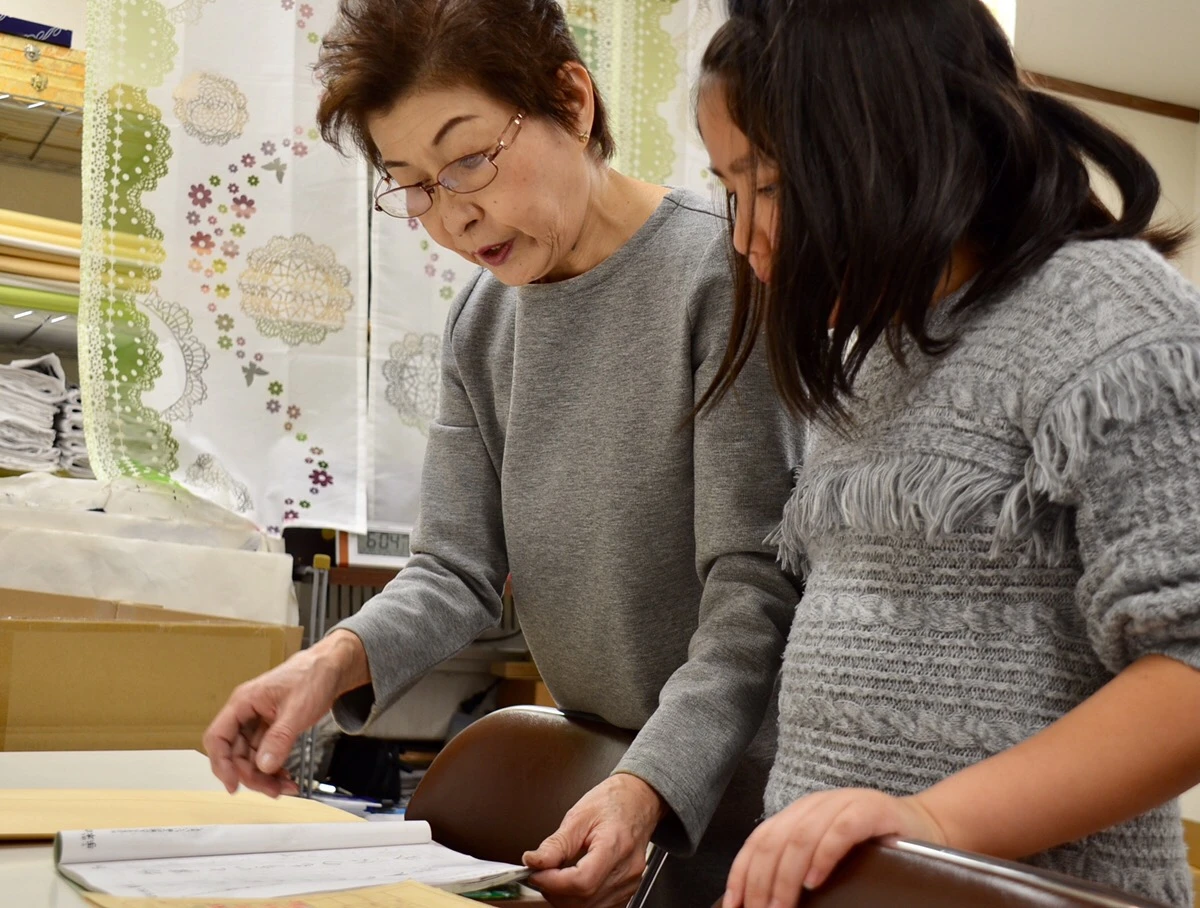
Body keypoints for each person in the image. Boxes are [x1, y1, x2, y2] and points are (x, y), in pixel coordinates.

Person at [203, 2, 804, 907]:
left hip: (731, 816)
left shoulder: (721, 273)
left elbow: (752, 591)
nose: (451, 215)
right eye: (412, 184)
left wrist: (649, 792)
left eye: (469, 159)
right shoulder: (483, 323)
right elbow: (455, 568)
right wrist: (324, 665)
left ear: (572, 99)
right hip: (601, 802)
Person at [694, 3, 1200, 907]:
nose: (743, 236)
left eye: (766, 185)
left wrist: (934, 825)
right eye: (729, 190)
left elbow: (1191, 673)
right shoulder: (873, 355)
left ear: (888, 144)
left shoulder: (1109, 313)